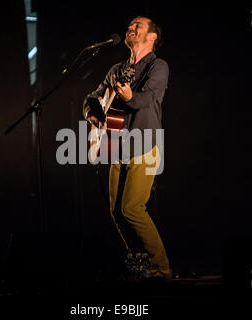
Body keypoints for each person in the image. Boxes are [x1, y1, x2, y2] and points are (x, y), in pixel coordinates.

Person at [83, 16, 171, 280]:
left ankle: (160, 267)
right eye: (130, 25)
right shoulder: (117, 69)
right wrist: (92, 114)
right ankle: (138, 264)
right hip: (113, 144)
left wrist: (131, 97)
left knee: (132, 208)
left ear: (152, 37)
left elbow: (150, 98)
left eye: (137, 26)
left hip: (143, 143)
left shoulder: (158, 66)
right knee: (115, 212)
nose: (130, 28)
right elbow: (92, 97)